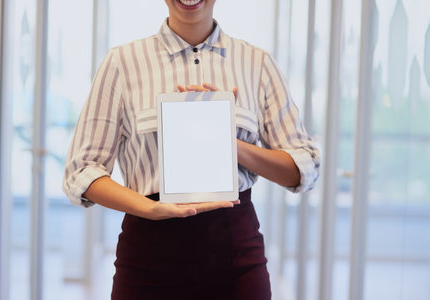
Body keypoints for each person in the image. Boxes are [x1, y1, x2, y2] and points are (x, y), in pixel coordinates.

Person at [63, 0, 320, 299]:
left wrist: (230, 144)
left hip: (236, 256)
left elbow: (305, 169)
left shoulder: (257, 63)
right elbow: (81, 172)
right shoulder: (122, 62)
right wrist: (149, 208)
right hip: (148, 255)